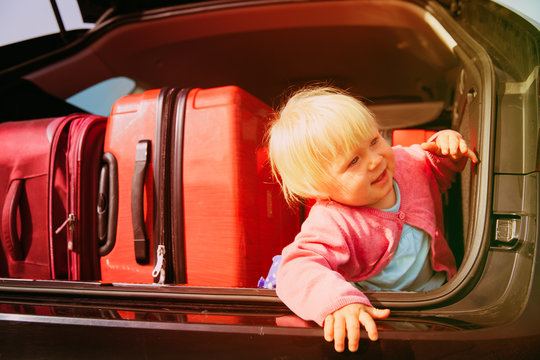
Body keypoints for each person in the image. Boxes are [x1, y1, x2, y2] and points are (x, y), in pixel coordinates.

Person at [267, 86, 478, 353]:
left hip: (442, 295)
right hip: (388, 320)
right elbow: (295, 268)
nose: (374, 160)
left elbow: (439, 168)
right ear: (321, 190)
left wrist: (447, 146)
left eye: (374, 141)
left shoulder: (406, 162)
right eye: (353, 160)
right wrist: (340, 302)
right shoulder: (333, 220)